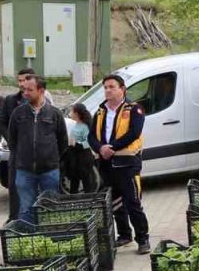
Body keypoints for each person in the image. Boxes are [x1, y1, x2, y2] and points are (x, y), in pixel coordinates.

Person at [89, 74, 151, 254]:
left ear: (122, 89)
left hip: (127, 164)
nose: (108, 90)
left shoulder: (134, 109)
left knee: (133, 202)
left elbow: (134, 132)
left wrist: (112, 147)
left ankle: (143, 239)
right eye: (105, 87)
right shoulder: (100, 111)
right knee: (115, 203)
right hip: (107, 164)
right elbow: (91, 136)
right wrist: (100, 148)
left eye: (111, 87)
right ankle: (124, 235)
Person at [8, 77, 68, 226]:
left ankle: (51, 238)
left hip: (49, 170)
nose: (25, 93)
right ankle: (29, 239)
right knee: (26, 207)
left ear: (41, 91)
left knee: (50, 206)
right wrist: (22, 157)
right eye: (24, 90)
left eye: (29, 90)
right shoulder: (18, 113)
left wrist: (51, 158)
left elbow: (63, 141)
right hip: (24, 170)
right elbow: (12, 140)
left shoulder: (54, 114)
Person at [1, 68, 36, 221]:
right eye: (20, 80)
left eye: (25, 80)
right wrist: (11, 139)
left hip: (36, 152)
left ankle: (34, 217)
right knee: (15, 185)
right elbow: (2, 122)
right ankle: (14, 218)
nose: (22, 84)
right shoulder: (10, 100)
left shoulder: (43, 98)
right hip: (16, 151)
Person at [64, 103, 96, 194]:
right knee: (74, 179)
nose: (70, 113)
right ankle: (73, 198)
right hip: (74, 156)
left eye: (72, 111)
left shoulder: (85, 127)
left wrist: (76, 144)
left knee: (86, 180)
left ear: (77, 114)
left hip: (83, 157)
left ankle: (88, 199)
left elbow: (87, 142)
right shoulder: (76, 124)